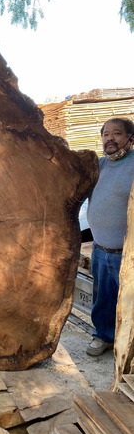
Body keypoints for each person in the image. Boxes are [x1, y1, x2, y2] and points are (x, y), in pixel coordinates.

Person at [86, 117, 134, 356]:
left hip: (128, 252)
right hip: (100, 249)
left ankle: (128, 347)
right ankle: (103, 336)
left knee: (130, 302)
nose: (110, 139)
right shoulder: (100, 167)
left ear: (130, 139)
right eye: (106, 134)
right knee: (103, 298)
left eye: (116, 134)